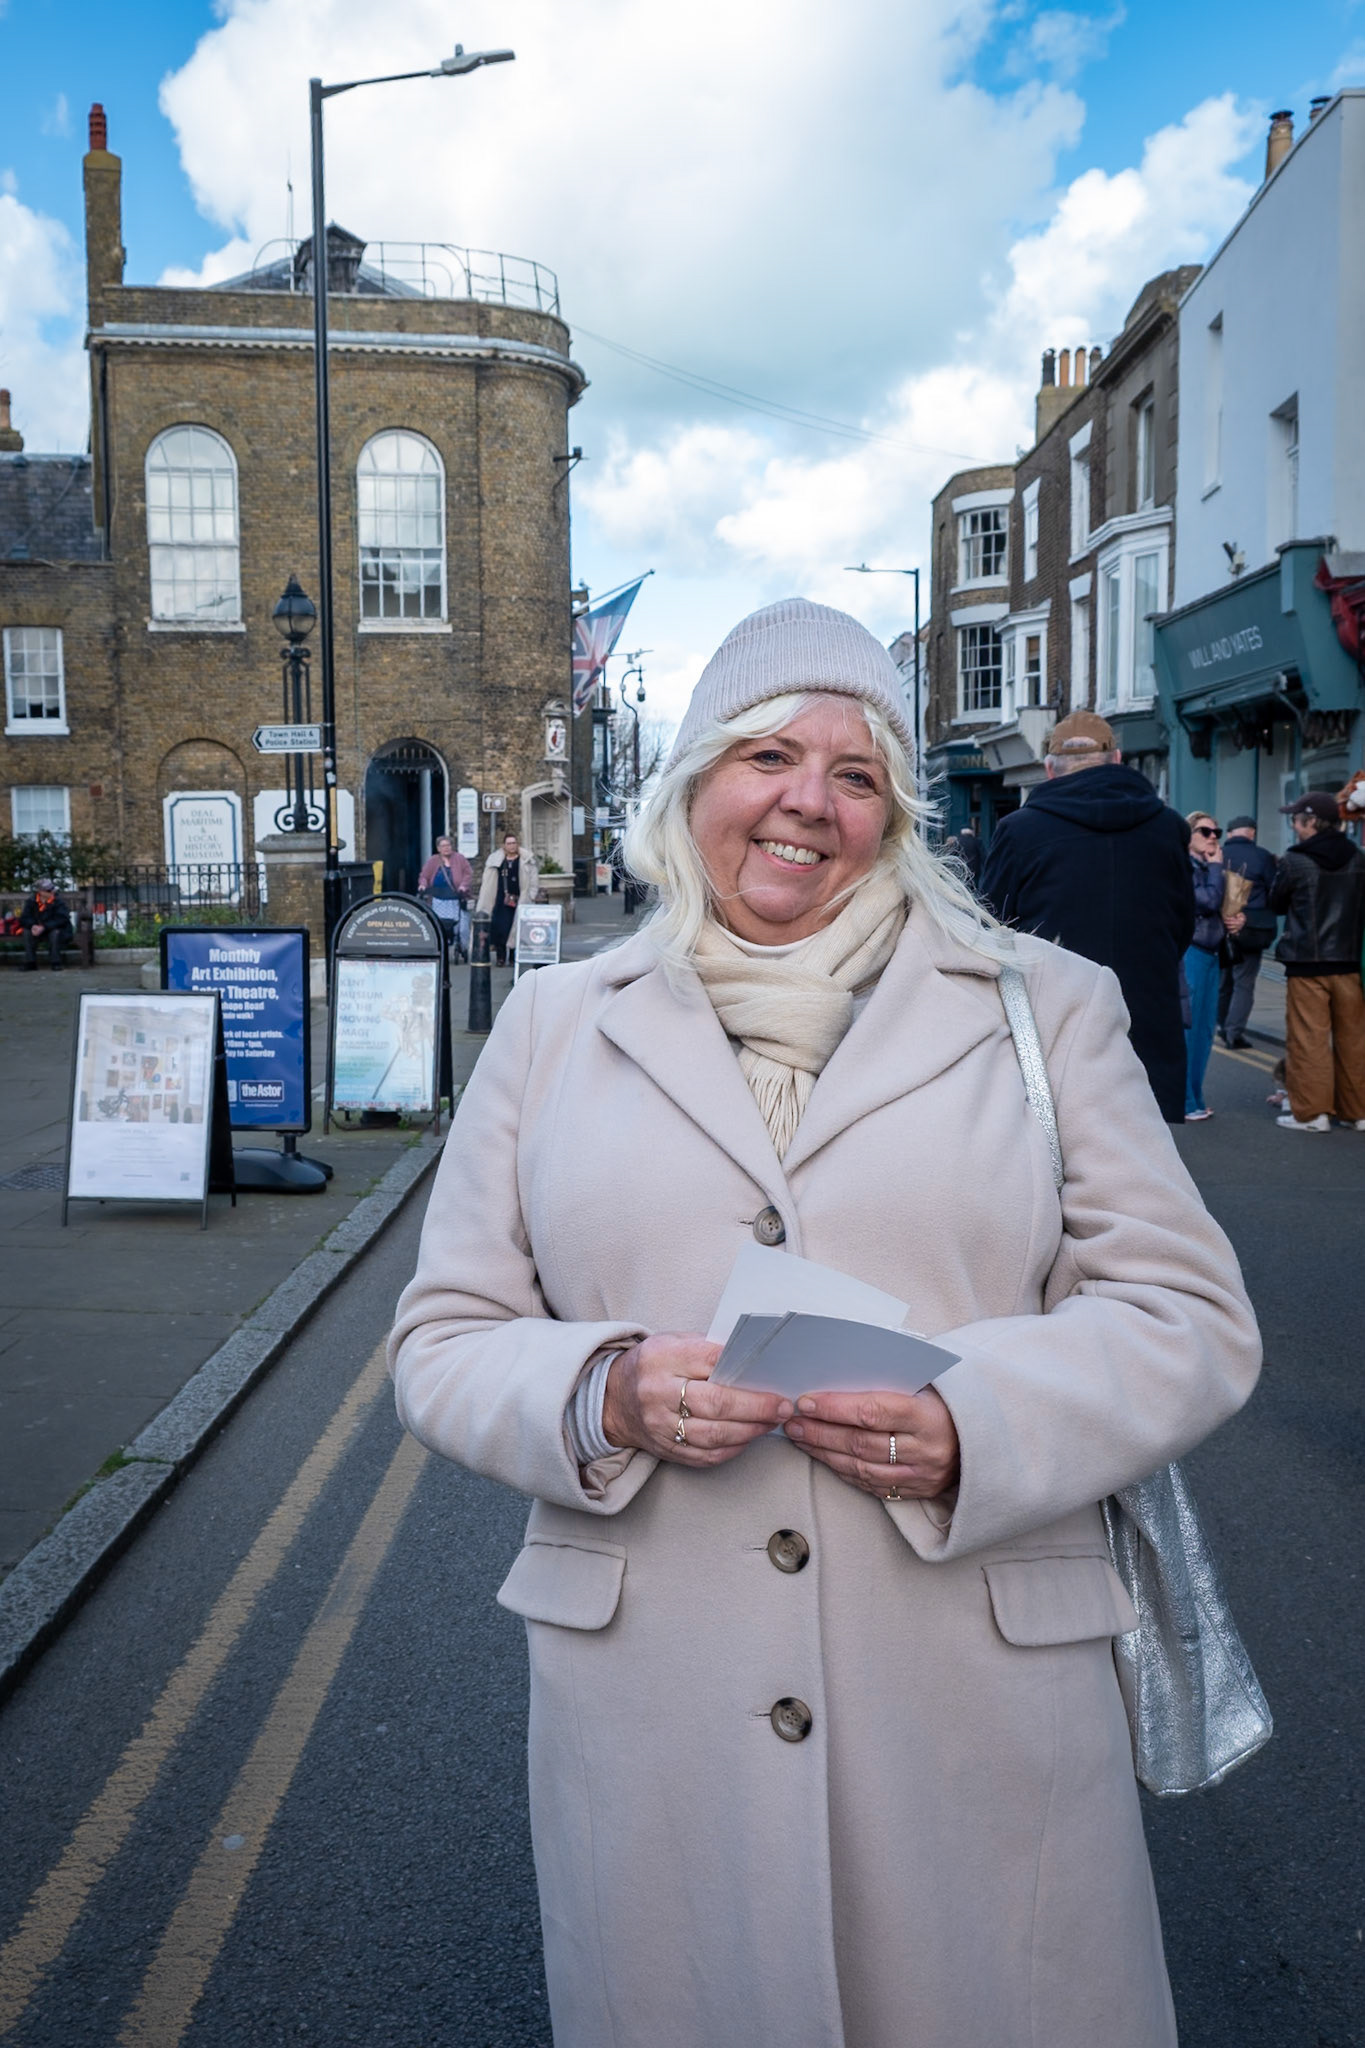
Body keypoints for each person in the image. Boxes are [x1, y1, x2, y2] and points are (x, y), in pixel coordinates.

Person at [389, 598, 1260, 2048]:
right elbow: (447, 1336)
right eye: (770, 756)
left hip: (976, 1704)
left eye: (856, 776)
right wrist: (600, 1391)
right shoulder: (553, 1024)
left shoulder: (1045, 1009)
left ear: (895, 814)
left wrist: (972, 1421)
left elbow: (1188, 1314)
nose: (809, 803)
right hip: (658, 1714)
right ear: (693, 784)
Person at [978, 710, 1194, 1122]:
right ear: (1117, 760)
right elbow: (1182, 923)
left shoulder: (1021, 830)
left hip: (1055, 1017)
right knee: (1142, 1158)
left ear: (1049, 768)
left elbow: (992, 928)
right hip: (1145, 1016)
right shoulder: (1168, 827)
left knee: (1056, 1158)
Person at [1268, 789, 1365, 1132]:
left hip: (1307, 965)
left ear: (1311, 821)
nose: (1294, 826)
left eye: (1296, 819)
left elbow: (1276, 902)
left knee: (1309, 1039)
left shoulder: (1295, 860)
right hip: (1350, 964)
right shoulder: (1358, 857)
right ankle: (1357, 1112)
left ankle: (1312, 1114)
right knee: (1354, 1040)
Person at [1182, 814, 1242, 1122]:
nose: (1213, 836)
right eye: (1205, 831)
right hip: (1190, 952)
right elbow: (1205, 901)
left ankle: (1195, 1097)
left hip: (1211, 952)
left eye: (1217, 831)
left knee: (1205, 1030)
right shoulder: (1183, 865)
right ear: (1188, 834)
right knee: (1189, 1030)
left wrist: (1236, 919)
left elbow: (1218, 906)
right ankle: (1184, 1100)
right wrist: (1218, 867)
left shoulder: (1208, 866)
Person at [1217, 816, 1278, 1048]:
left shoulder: (1219, 854)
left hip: (1221, 927)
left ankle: (1222, 1025)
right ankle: (1233, 1032)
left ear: (1231, 833)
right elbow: (1275, 892)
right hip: (1251, 929)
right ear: (1251, 833)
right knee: (1244, 981)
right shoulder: (1262, 856)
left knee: (1224, 980)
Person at [476, 831, 540, 967]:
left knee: (516, 928)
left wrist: (531, 895)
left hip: (519, 899)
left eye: (514, 843)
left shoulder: (526, 860)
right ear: (504, 846)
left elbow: (534, 880)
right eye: (509, 843)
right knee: (501, 929)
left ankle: (513, 957)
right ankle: (501, 956)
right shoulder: (497, 861)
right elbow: (488, 881)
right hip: (501, 900)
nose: (512, 846)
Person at [418, 834, 473, 960]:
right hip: (438, 900)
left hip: (456, 899)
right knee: (439, 924)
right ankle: (441, 945)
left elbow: (468, 874)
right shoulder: (433, 861)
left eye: (448, 845)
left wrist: (464, 886)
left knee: (462, 927)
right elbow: (424, 876)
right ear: (438, 848)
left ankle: (462, 947)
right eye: (443, 846)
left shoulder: (460, 859)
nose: (446, 848)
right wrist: (422, 885)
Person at [18, 879, 74, 971]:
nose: (52, 891)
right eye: (48, 890)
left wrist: (44, 927)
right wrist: (33, 926)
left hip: (52, 928)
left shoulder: (58, 901)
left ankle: (56, 962)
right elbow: (24, 917)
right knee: (26, 932)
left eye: (52, 889)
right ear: (40, 892)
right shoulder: (31, 901)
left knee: (55, 933)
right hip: (37, 930)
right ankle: (30, 962)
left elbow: (62, 919)